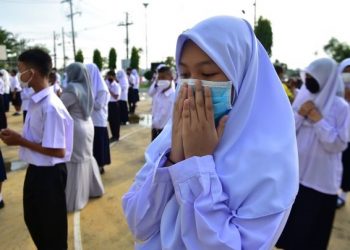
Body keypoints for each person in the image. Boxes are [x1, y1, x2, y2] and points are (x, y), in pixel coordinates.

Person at [122, 16, 298, 249]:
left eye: (207, 74)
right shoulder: (170, 137)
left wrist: (196, 166)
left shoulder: (271, 165)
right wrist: (174, 158)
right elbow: (139, 224)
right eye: (184, 75)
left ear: (243, 76)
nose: (193, 87)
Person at [0, 48, 73, 249]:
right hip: (37, 170)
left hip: (50, 174)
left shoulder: (51, 107)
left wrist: (19, 141)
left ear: (31, 73)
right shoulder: (37, 101)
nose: (18, 75)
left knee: (51, 231)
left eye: (21, 69)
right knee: (35, 220)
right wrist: (19, 138)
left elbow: (58, 150)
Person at [276, 58, 350, 250]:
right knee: (288, 233)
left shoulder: (342, 107)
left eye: (313, 77)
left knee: (308, 237)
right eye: (307, 76)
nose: (308, 81)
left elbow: (338, 144)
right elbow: (287, 130)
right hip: (296, 176)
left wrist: (318, 120)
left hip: (320, 182)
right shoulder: (303, 97)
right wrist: (301, 114)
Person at [61, 62, 104, 212]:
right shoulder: (87, 88)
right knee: (86, 157)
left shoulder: (72, 89)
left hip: (76, 129)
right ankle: (93, 189)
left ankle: (74, 200)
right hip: (88, 125)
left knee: (75, 161)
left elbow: (59, 107)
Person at [85, 63, 111, 175]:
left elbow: (98, 106)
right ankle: (92, 166)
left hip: (98, 121)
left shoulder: (102, 89)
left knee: (98, 145)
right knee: (91, 145)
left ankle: (100, 166)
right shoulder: (87, 87)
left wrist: (87, 97)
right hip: (89, 121)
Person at [148, 66, 175, 141]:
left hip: (166, 133)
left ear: (171, 78)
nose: (160, 80)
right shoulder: (157, 92)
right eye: (159, 78)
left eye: (163, 77)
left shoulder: (174, 96)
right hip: (154, 129)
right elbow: (150, 93)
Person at [336, 58, 350, 208]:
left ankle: (343, 195)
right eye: (346, 71)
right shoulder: (335, 90)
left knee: (348, 166)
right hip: (337, 134)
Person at [106, 70, 121, 142]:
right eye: (108, 76)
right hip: (109, 104)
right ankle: (113, 135)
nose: (109, 77)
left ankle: (117, 136)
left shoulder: (116, 85)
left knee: (116, 121)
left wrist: (109, 90)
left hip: (115, 104)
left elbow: (116, 96)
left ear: (113, 77)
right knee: (111, 121)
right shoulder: (107, 84)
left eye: (110, 76)